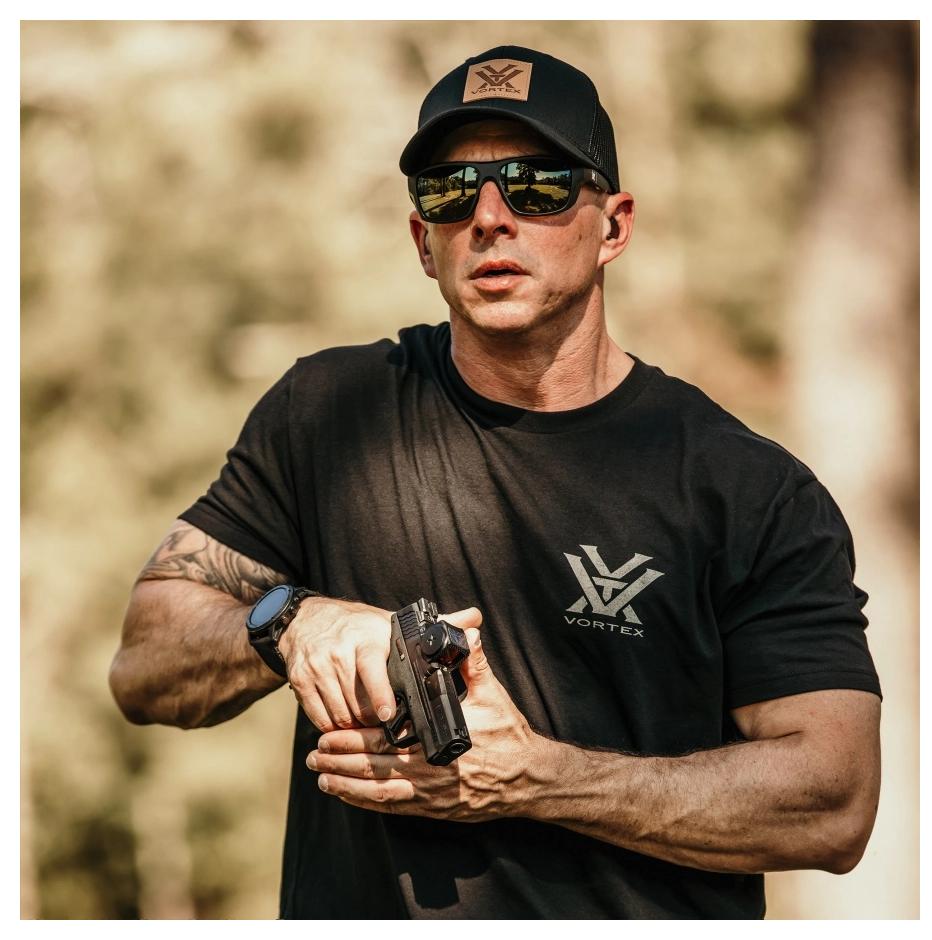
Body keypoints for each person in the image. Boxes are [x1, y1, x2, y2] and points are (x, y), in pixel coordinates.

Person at [109, 45, 882, 919]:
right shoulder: (326, 412)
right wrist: (291, 621)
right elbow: (144, 663)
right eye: (450, 192)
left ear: (614, 227)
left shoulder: (747, 487)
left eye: (536, 186)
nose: (488, 217)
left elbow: (834, 803)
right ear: (423, 241)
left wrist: (537, 779)